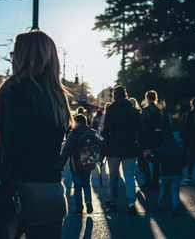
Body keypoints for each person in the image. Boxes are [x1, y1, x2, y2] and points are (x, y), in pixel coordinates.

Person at [0, 30, 73, 239]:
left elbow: (16, 153)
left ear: (23, 57)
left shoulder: (17, 90)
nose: (12, 58)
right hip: (52, 193)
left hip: (19, 194)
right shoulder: (57, 96)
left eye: (14, 53)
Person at [101, 86, 144, 215]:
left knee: (113, 176)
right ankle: (131, 203)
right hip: (130, 148)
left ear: (114, 96)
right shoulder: (133, 110)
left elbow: (106, 129)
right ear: (126, 95)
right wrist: (144, 147)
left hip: (113, 149)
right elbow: (141, 130)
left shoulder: (111, 109)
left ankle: (113, 201)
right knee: (129, 176)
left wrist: (105, 134)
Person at [61, 114, 95, 215]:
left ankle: (79, 208)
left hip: (76, 164)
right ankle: (89, 201)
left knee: (77, 186)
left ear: (78, 122)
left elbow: (66, 150)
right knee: (87, 184)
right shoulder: (91, 132)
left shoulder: (74, 133)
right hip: (88, 162)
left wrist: (62, 164)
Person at [155, 132, 188, 217]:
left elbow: (156, 158)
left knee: (163, 190)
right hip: (177, 173)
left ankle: (159, 205)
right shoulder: (179, 148)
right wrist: (181, 167)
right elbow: (185, 159)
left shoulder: (163, 148)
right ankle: (175, 208)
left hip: (165, 173)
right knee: (175, 192)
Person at [140, 90, 165, 189]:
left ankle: (148, 180)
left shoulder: (145, 110)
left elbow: (142, 126)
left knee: (145, 160)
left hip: (147, 139)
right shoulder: (159, 110)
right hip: (157, 139)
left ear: (147, 98)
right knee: (156, 161)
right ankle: (156, 181)